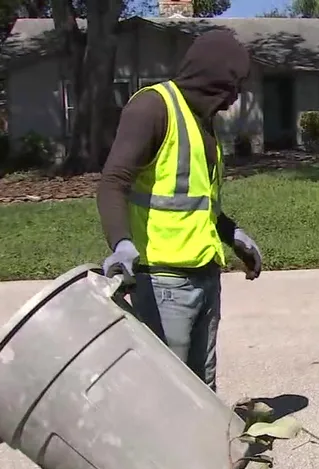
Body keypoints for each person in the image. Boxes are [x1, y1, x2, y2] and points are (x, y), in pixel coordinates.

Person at [96, 29, 262, 395]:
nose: (233, 100)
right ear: (212, 80)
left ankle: (209, 453)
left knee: (202, 385)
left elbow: (193, 201)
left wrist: (232, 234)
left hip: (205, 274)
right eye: (231, 88)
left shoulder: (202, 122)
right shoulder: (152, 107)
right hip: (163, 281)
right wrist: (121, 244)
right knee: (169, 392)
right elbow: (113, 182)